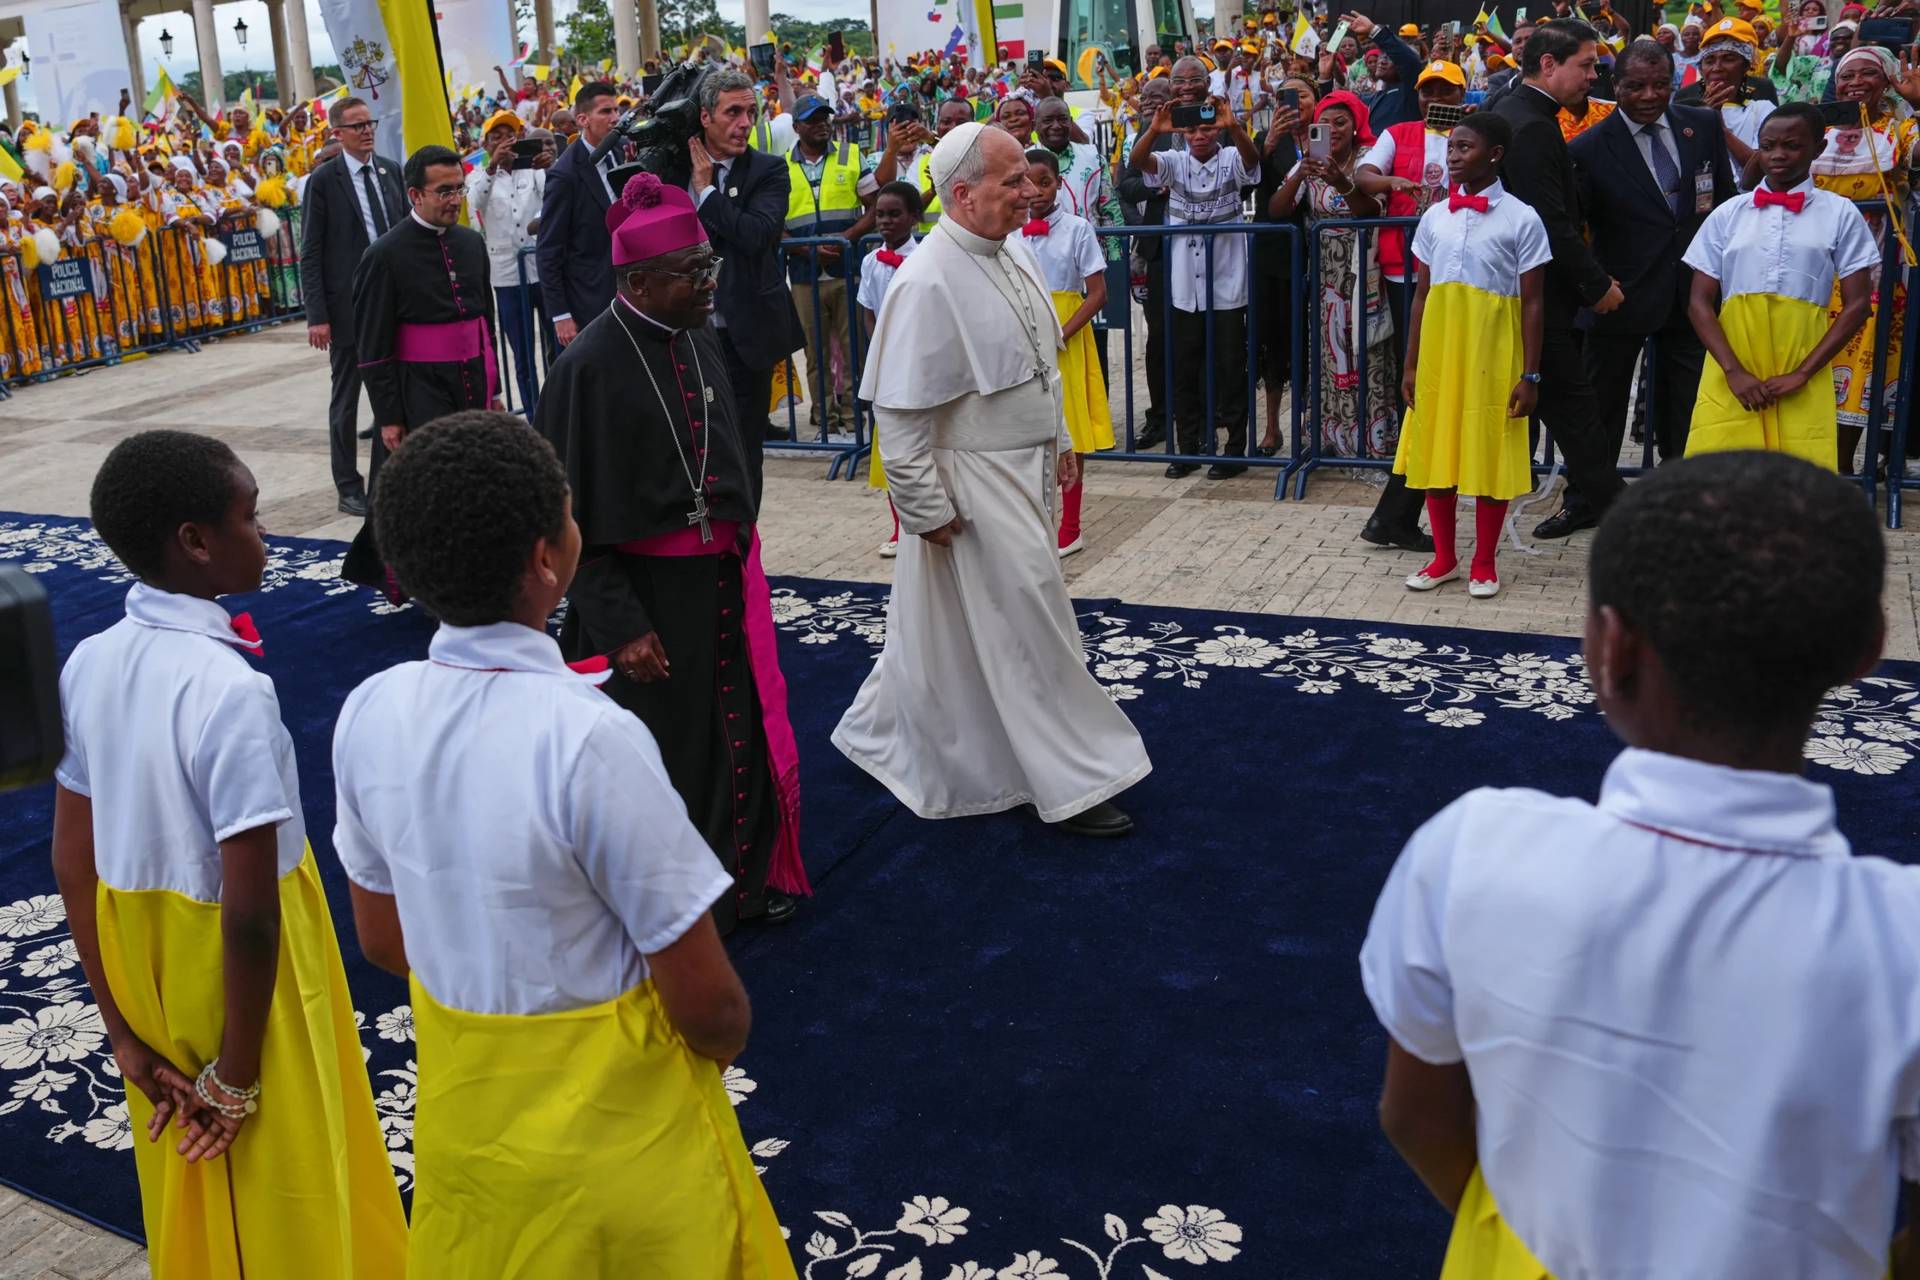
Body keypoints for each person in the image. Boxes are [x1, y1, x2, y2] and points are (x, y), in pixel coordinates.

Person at [1360, 449, 1920, 1280]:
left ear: (1609, 648)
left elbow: (1416, 1118)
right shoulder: (1902, 939)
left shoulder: (1474, 849)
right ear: (1866, 650)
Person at [332, 411, 796, 1277]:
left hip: (470, 1138)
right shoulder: (590, 737)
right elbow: (710, 1008)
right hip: (621, 1158)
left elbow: (384, 940)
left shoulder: (370, 710)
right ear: (548, 559)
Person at [52, 430, 407, 1278]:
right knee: (289, 1165)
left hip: (141, 958)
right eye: (251, 516)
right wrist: (240, 1072)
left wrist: (120, 1031)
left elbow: (72, 859)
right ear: (197, 541)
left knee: (188, 1164)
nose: (266, 533)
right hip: (244, 978)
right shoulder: (230, 691)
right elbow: (250, 909)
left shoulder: (89, 662)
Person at [832, 122, 1151, 837]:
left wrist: (1060, 438)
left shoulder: (1013, 250)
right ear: (964, 194)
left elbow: (1040, 361)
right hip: (972, 488)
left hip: (1022, 472)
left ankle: (886, 731)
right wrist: (923, 508)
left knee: (952, 628)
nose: (1030, 190)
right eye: (1013, 181)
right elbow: (901, 415)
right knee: (1029, 622)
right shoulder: (925, 281)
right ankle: (1069, 780)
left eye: (1030, 179)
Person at [535, 173, 807, 934]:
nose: (710, 282)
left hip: (717, 576)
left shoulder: (696, 332)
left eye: (709, 266)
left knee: (734, 728)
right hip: (644, 593)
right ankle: (673, 904)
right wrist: (620, 626)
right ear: (639, 283)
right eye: (694, 272)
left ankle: (740, 880)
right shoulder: (586, 367)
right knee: (667, 750)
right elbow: (562, 516)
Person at [1568, 40, 1733, 501]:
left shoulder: (1702, 125)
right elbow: (1573, 228)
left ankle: (1681, 495)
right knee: (1602, 404)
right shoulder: (1587, 148)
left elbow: (1722, 202)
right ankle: (1589, 498)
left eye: (1660, 84)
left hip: (1691, 294)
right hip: (1619, 295)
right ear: (1615, 86)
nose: (1649, 95)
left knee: (1687, 402)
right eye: (1636, 86)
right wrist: (1592, 287)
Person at [1394, 112, 1549, 600]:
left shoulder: (1522, 217)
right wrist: (1411, 363)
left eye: (1465, 147)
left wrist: (1530, 374)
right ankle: (1444, 558)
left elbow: (1533, 302)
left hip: (1493, 348)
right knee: (1436, 447)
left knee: (1488, 450)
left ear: (1495, 154)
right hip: (1440, 348)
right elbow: (1422, 295)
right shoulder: (1434, 216)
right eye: (1452, 148)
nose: (1454, 156)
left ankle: (1484, 562)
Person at [1491, 19, 1630, 539]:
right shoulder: (1530, 124)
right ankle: (1624, 516)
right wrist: (1597, 285)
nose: (1594, 76)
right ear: (1548, 64)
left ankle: (1394, 513)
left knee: (1572, 411)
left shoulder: (1521, 112)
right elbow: (1549, 221)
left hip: (1522, 292)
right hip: (1534, 295)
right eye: (1587, 65)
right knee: (1576, 411)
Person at [1684, 103, 1877, 468]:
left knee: (1800, 469)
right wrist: (1733, 371)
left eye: (1792, 145)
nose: (1777, 155)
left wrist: (1803, 373)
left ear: (1819, 148)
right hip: (1733, 358)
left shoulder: (1840, 213)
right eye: (1768, 146)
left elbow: (1858, 305)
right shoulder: (1728, 214)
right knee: (1720, 465)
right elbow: (1698, 301)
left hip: (1803, 357)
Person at [343, 145, 496, 594]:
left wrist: (493, 385)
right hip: (420, 388)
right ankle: (434, 578)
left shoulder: (471, 243)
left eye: (459, 189)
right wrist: (389, 415)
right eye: (444, 191)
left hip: (471, 380)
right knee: (432, 484)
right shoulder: (384, 254)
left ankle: (478, 565)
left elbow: (484, 321)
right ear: (415, 194)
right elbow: (372, 345)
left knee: (477, 477)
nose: (454, 200)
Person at [1355, 58, 1469, 550]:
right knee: (1423, 388)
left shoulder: (1473, 134)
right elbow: (1364, 174)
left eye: (1445, 90)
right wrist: (1390, 184)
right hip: (1409, 275)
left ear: (1462, 94)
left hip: (1462, 276)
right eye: (1427, 91)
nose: (1435, 99)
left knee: (1433, 389)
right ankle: (1397, 513)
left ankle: (1398, 512)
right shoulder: (1399, 132)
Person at [1131, 92, 1262, 479]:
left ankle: (1233, 451)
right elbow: (1138, 162)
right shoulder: (1173, 161)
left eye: (1207, 128)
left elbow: (1252, 162)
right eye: (1192, 130)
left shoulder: (1231, 157)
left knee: (1230, 369)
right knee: (1184, 370)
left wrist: (1234, 125)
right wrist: (1155, 130)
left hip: (1227, 284)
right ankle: (1187, 449)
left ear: (1218, 131)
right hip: (1184, 286)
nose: (1200, 136)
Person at [691, 68, 807, 497]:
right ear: (705, 117)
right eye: (733, 113)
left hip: (744, 338)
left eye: (751, 113)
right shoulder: (672, 169)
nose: (745, 123)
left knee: (743, 450)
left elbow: (757, 235)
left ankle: (743, 534)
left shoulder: (769, 170)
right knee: (695, 449)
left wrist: (706, 193)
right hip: (687, 337)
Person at [1808, 44, 1920, 471]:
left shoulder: (1898, 130)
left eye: (1867, 73)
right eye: (1846, 75)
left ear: (1887, 81)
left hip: (1873, 272)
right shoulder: (1816, 129)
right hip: (1814, 271)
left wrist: (1918, 105)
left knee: (1860, 371)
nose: (1854, 82)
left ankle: (1843, 469)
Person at [1272, 91, 1395, 463]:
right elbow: (1276, 210)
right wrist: (1300, 175)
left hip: (1366, 270)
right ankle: (1334, 437)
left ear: (1356, 124)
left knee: (1368, 349)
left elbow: (1370, 209)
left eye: (1340, 122)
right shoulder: (1310, 161)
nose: (1333, 129)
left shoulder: (1369, 159)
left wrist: (1341, 181)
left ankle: (1373, 441)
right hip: (1326, 273)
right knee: (1332, 352)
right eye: (1323, 124)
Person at [299, 96, 403, 517]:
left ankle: (392, 478)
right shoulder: (325, 180)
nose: (367, 130)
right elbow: (311, 251)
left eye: (369, 122)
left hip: (393, 300)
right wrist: (317, 316)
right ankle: (348, 485)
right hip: (348, 308)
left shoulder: (390, 172)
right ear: (337, 133)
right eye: (357, 125)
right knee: (346, 400)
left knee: (393, 394)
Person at [1022, 147, 1111, 555]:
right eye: (1029, 182)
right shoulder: (1011, 233)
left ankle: (1071, 526)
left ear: (1059, 183)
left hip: (1066, 336)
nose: (1037, 191)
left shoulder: (1078, 229)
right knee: (1028, 428)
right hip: (1024, 336)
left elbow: (1097, 294)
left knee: (1069, 430)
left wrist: (1061, 333)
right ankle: (1037, 521)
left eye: (1045, 182)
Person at [782, 92, 870, 436]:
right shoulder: (780, 167)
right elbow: (774, 222)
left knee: (852, 351)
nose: (822, 125)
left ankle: (852, 417)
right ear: (796, 127)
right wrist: (806, 250)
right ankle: (824, 419)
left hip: (846, 269)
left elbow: (875, 206)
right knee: (814, 353)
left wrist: (847, 236)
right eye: (813, 120)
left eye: (825, 118)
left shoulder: (851, 155)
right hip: (804, 275)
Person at [465, 108, 554, 412]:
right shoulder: (478, 176)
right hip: (507, 277)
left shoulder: (534, 170)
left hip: (540, 270)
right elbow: (476, 202)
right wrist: (492, 166)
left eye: (511, 136)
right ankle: (533, 412)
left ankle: (558, 409)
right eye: (497, 137)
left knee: (557, 345)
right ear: (486, 144)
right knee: (522, 354)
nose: (505, 142)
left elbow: (553, 198)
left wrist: (548, 167)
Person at [1114, 72, 1183, 450]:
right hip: (1156, 248)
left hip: (1197, 245)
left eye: (1161, 95)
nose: (1153, 102)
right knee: (1158, 339)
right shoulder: (1141, 134)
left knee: (1193, 337)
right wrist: (1157, 189)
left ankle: (1200, 415)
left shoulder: (1193, 126)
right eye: (1147, 97)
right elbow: (1125, 186)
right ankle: (1158, 417)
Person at [856, 180, 923, 558]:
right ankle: (899, 526)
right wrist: (881, 349)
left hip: (919, 359)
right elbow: (869, 312)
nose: (885, 221)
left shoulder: (924, 259)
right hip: (887, 362)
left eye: (894, 214)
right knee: (890, 444)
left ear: (914, 217)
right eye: (880, 215)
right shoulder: (870, 262)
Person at [536, 80, 622, 348]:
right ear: (583, 119)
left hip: (630, 291)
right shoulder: (565, 174)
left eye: (616, 110)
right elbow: (549, 248)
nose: (615, 118)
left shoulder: (620, 151)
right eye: (606, 112)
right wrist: (560, 314)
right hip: (589, 300)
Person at [1676, 18, 1776, 180]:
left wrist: (1719, 126)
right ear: (1701, 69)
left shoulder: (1762, 110)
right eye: (1709, 61)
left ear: (1746, 66)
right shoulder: (1684, 112)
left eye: (1728, 59)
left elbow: (1762, 172)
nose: (1717, 68)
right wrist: (1703, 117)